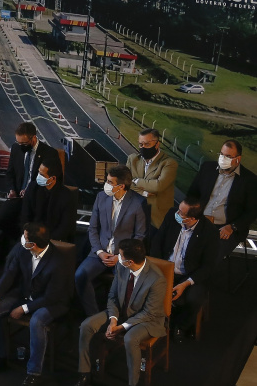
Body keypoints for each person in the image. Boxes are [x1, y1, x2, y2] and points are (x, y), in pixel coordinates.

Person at [0, 223, 72, 385]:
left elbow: (51, 297)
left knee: (37, 321)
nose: (21, 238)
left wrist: (24, 308)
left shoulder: (58, 263)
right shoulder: (23, 249)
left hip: (52, 302)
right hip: (25, 293)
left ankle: (34, 372)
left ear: (33, 244)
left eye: (25, 237)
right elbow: (10, 273)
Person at [74, 239, 167, 386]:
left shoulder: (157, 279)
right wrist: (113, 320)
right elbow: (113, 296)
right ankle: (84, 373)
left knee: (130, 338)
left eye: (121, 255)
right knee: (87, 325)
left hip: (147, 320)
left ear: (130, 262)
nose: (118, 257)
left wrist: (121, 327)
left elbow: (149, 313)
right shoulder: (121, 267)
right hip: (121, 312)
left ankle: (133, 383)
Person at [76, 165, 147, 317]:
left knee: (125, 286)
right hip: (99, 253)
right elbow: (93, 228)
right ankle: (93, 317)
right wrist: (100, 252)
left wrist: (120, 257)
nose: (106, 185)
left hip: (124, 256)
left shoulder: (138, 202)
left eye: (110, 182)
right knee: (80, 276)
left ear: (121, 186)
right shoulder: (101, 197)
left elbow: (139, 236)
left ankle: (117, 320)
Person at [150, 197, 217, 340]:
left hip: (190, 275)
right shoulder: (172, 215)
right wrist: (157, 268)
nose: (177, 213)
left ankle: (182, 325)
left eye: (181, 213)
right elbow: (157, 241)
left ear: (191, 218)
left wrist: (186, 283)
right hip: (165, 269)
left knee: (194, 299)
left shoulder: (209, 232)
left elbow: (208, 266)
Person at [188, 139, 257, 262]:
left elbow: (252, 212)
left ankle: (197, 280)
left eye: (228, 156)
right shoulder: (207, 168)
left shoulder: (249, 180)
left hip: (225, 229)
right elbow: (192, 194)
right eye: (221, 154)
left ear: (238, 159)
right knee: (183, 249)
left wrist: (233, 227)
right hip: (200, 222)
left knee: (209, 257)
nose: (223, 158)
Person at [0, 122, 58, 245]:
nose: (21, 146)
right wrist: (11, 190)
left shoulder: (49, 153)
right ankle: (19, 239)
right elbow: (10, 173)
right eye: (19, 143)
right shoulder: (16, 149)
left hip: (36, 199)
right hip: (17, 197)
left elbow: (52, 182)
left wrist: (31, 190)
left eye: (24, 143)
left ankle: (22, 242)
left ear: (33, 138)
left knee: (27, 222)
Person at [127, 128, 178, 228]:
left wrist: (136, 180)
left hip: (156, 219)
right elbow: (126, 182)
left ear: (157, 144)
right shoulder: (133, 159)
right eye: (141, 144)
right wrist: (143, 192)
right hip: (134, 216)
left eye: (147, 144)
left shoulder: (169, 163)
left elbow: (159, 186)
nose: (143, 147)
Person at [20, 157, 77, 242]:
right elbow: (25, 215)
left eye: (42, 175)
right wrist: (28, 235)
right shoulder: (32, 188)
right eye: (39, 172)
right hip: (31, 236)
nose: (38, 176)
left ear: (53, 178)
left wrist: (47, 241)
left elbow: (65, 227)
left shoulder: (67, 196)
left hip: (53, 239)